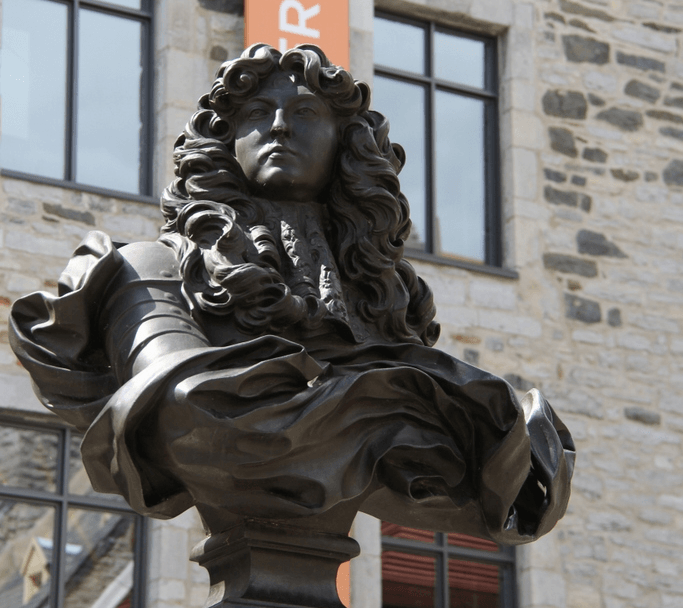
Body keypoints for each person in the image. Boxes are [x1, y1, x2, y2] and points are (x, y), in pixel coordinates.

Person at [10, 44, 574, 544]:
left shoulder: (388, 306)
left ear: (345, 145)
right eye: (257, 114)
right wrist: (423, 403)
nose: (279, 126)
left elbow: (526, 472)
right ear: (226, 141)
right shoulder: (146, 269)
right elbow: (192, 415)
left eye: (304, 113)